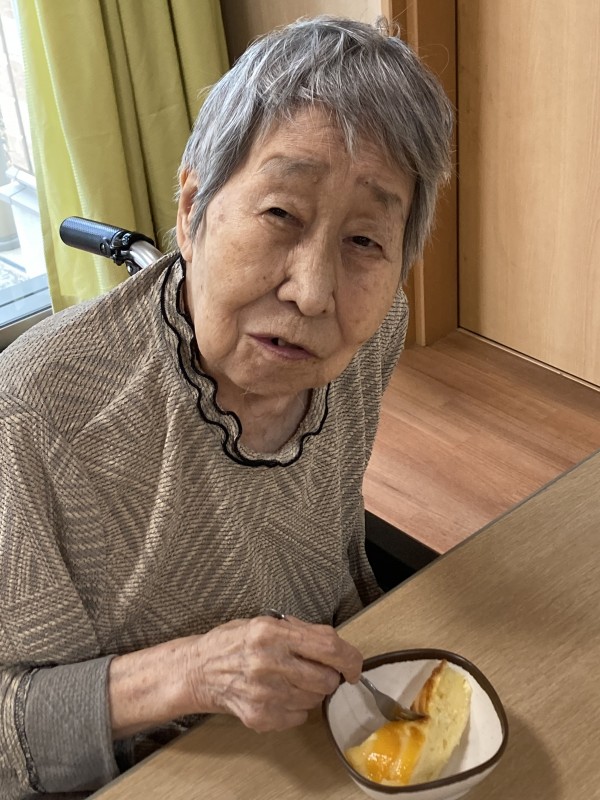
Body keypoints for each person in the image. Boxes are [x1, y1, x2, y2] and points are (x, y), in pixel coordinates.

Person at [0, 15, 452, 799]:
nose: (313, 293)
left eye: (365, 241)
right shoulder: (34, 415)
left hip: (337, 717)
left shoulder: (374, 337)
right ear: (191, 207)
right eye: (281, 214)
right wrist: (196, 671)